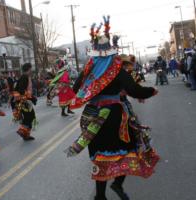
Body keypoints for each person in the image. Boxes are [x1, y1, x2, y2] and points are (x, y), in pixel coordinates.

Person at [64, 17, 160, 200]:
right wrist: (151, 90)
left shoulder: (89, 70)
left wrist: (92, 92)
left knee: (100, 155)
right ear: (112, 50)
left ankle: (100, 196)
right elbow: (135, 90)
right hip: (115, 116)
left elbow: (76, 89)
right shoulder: (117, 69)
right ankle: (117, 183)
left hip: (93, 116)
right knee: (126, 150)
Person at [13, 63, 37, 141]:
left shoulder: (24, 77)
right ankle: (23, 131)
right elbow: (21, 90)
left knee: (29, 117)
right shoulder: (24, 77)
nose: (31, 70)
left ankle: (26, 135)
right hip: (24, 101)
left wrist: (32, 98)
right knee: (29, 117)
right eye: (31, 69)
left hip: (24, 101)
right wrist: (32, 98)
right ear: (29, 69)